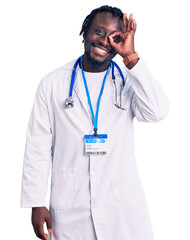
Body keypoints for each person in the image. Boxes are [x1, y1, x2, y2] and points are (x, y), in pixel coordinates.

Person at [21, 5, 169, 240]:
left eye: (114, 37)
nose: (104, 41)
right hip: (71, 210)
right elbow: (37, 146)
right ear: (84, 32)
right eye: (99, 32)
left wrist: (130, 57)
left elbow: (157, 112)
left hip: (122, 210)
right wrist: (36, 202)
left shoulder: (127, 82)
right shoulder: (52, 83)